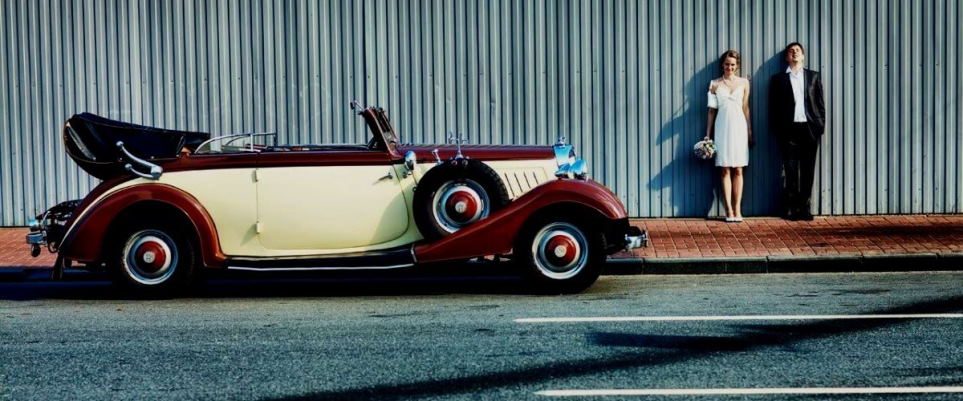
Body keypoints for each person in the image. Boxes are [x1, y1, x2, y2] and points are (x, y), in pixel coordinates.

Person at [769, 42, 826, 221]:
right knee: (791, 169)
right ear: (787, 57)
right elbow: (773, 108)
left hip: (809, 128)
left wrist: (820, 126)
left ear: (803, 56)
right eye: (791, 51)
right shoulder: (778, 79)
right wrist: (777, 129)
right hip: (788, 129)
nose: (794, 53)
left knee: (808, 169)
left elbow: (820, 103)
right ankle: (791, 208)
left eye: (797, 51)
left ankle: (805, 208)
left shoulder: (813, 76)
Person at [705, 49, 753, 222]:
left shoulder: (744, 83)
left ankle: (738, 209)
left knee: (739, 168)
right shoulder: (715, 84)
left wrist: (749, 131)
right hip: (722, 127)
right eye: (726, 64)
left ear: (737, 65)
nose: (729, 67)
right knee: (725, 168)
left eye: (732, 64)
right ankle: (729, 210)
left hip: (739, 127)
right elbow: (711, 111)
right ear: (722, 65)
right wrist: (707, 135)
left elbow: (746, 108)